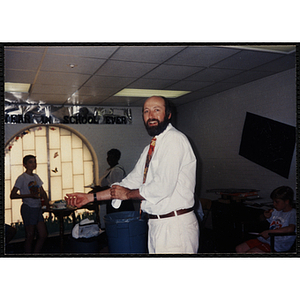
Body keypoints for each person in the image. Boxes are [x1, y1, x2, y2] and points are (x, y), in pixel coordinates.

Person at [65, 96, 199, 254]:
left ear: (168, 114)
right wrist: (90, 198)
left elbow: (161, 188)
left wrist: (127, 195)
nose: (151, 115)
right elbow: (129, 182)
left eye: (157, 110)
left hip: (175, 227)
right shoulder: (153, 146)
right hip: (158, 225)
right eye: (146, 111)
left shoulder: (175, 140)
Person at [236, 186, 296, 253]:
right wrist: (265, 216)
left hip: (278, 245)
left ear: (287, 201)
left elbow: (291, 229)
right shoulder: (276, 211)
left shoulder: (293, 213)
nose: (274, 204)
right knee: (239, 249)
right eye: (273, 201)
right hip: (267, 240)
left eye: (276, 202)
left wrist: (269, 232)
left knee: (251, 253)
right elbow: (261, 219)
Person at [10, 155, 49, 254]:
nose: (33, 164)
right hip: (28, 208)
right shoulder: (22, 178)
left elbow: (42, 192)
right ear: (25, 165)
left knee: (43, 234)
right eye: (31, 162)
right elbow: (12, 195)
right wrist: (29, 196)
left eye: (35, 162)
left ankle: (35, 254)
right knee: (30, 235)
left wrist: (47, 203)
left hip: (37, 208)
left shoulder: (36, 177)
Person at [98, 148, 134, 214]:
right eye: (108, 157)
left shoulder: (117, 170)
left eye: (112, 157)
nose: (109, 159)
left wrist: (100, 189)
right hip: (111, 199)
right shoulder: (109, 170)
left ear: (117, 158)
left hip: (118, 202)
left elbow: (115, 186)